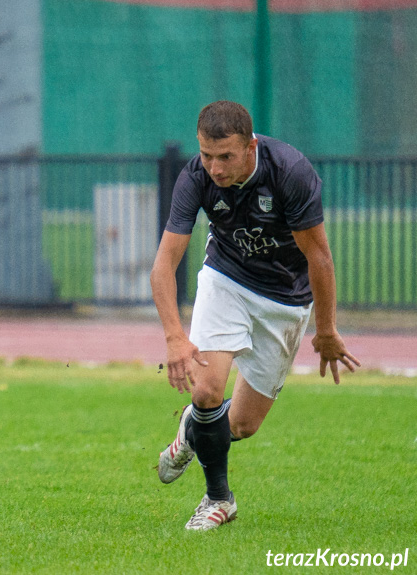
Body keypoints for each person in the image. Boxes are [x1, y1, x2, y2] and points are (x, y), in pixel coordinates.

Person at [150, 100, 360, 531]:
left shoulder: (290, 172)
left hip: (285, 300)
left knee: (241, 425)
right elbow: (163, 265)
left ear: (251, 146)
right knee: (207, 390)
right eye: (207, 155)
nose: (215, 168)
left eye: (226, 156)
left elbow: (318, 256)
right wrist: (174, 336)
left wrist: (326, 331)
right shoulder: (195, 177)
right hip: (226, 279)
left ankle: (193, 431)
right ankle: (219, 500)